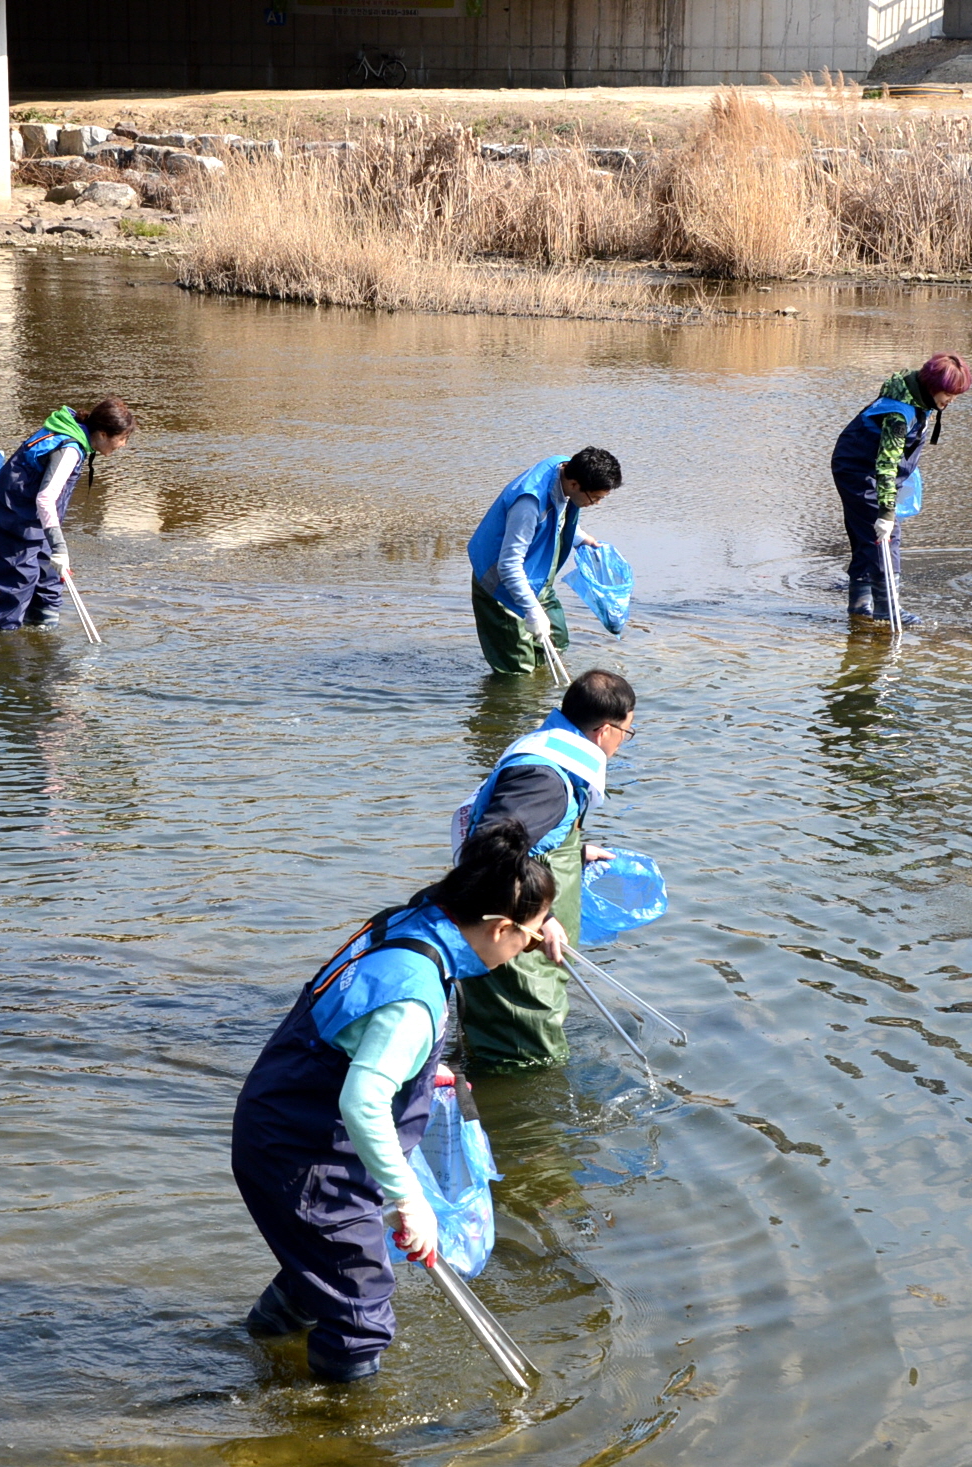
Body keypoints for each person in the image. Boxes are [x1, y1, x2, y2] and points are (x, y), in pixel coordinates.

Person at [230, 821, 557, 1383]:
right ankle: (331, 1432)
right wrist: (411, 1202)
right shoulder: (415, 997)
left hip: (287, 1117)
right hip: (303, 1152)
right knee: (363, 1311)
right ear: (500, 928)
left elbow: (361, 1038)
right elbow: (361, 1103)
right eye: (529, 937)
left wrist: (426, 1072)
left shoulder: (417, 918)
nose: (528, 948)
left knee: (324, 1268)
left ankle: (259, 1345)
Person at [454, 669, 636, 1073]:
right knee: (527, 1058)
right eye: (627, 732)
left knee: (503, 1041)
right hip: (512, 934)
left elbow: (522, 831)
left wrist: (574, 848)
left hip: (519, 933)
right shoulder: (545, 778)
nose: (624, 742)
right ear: (605, 731)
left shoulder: (548, 747)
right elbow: (488, 848)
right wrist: (544, 916)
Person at [828, 353, 972, 627]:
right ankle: (887, 609)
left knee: (866, 536)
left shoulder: (919, 398)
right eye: (949, 393)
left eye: (956, 394)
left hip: (868, 467)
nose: (951, 400)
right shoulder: (897, 414)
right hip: (860, 471)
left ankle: (860, 607)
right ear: (931, 387)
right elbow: (886, 466)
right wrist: (885, 513)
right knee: (884, 537)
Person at [0, 398, 133, 634]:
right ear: (102, 433)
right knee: (18, 586)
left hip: (35, 521)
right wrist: (60, 548)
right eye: (121, 438)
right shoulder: (69, 450)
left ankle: (43, 647)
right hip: (11, 519)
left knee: (49, 583)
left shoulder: (73, 431)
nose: (122, 445)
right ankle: (1, 648)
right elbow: (45, 499)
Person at [466, 447, 622, 676]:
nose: (596, 504)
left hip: (535, 574)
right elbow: (508, 565)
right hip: (501, 583)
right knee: (518, 668)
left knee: (557, 642)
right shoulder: (528, 504)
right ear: (575, 484)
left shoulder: (563, 466)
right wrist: (531, 610)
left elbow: (557, 511)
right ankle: (518, 705)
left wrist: (581, 538)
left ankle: (544, 692)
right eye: (595, 498)